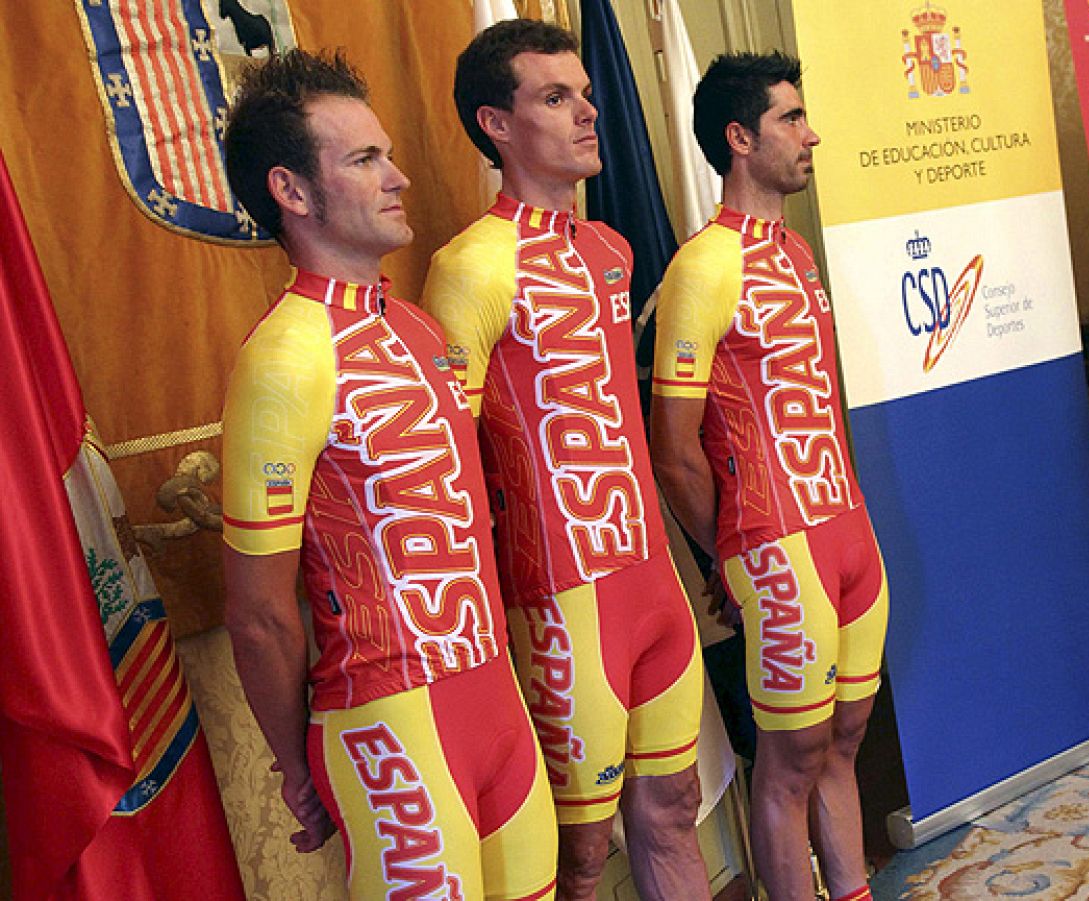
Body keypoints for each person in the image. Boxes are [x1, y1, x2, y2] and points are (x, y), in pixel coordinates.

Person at [220, 49, 557, 899]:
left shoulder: (413, 326)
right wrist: (300, 768)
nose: (398, 176)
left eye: (388, 153)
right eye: (364, 160)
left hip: (495, 701)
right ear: (292, 192)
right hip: (389, 721)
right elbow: (259, 614)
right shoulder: (284, 358)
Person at [421, 21, 709, 901]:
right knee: (579, 855)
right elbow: (449, 463)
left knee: (674, 807)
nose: (589, 113)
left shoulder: (611, 250)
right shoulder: (469, 267)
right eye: (556, 98)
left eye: (585, 94)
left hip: (651, 580)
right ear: (496, 124)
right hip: (560, 600)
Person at [651, 51, 887, 901]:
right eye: (792, 118)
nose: (810, 133)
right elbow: (673, 449)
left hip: (847, 529)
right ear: (740, 137)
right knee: (788, 763)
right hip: (774, 543)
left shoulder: (794, 251)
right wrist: (730, 554)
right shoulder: (702, 267)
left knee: (845, 742)